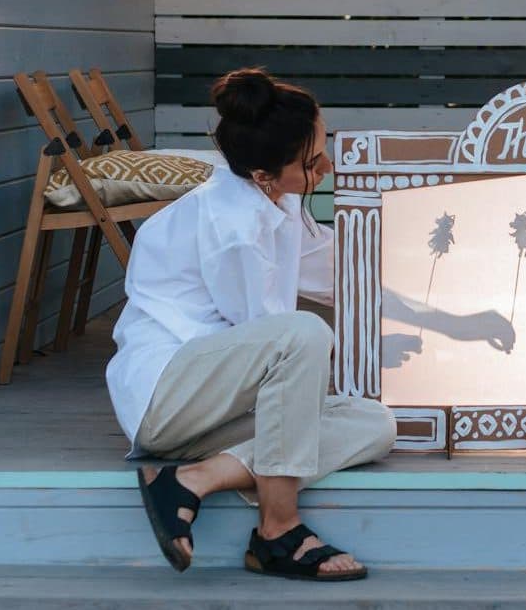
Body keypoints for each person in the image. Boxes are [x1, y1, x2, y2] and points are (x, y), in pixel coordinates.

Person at [106, 68, 396, 581]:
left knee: (375, 424)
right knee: (303, 333)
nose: (326, 167)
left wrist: (456, 303)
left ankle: (196, 479)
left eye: (324, 149)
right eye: (311, 163)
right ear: (263, 175)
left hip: (218, 403)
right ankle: (278, 530)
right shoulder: (233, 227)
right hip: (169, 398)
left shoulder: (276, 205)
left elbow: (347, 273)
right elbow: (275, 343)